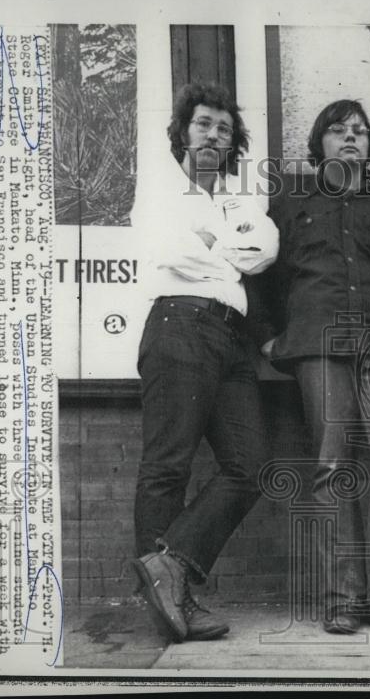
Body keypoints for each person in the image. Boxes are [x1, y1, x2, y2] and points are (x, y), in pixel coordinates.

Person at [261, 99, 370, 635]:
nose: (351, 137)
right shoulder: (290, 207)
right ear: (320, 145)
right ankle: (343, 599)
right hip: (319, 344)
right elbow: (261, 275)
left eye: (360, 131)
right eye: (338, 130)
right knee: (332, 465)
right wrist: (268, 337)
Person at [129, 83, 279, 643]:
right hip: (179, 325)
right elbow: (170, 252)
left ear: (233, 141)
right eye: (202, 125)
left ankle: (168, 565)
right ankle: (172, 604)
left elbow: (263, 253)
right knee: (168, 466)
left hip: (231, 338)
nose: (213, 135)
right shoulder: (161, 188)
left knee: (251, 464)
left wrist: (210, 243)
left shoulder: (240, 203)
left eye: (223, 128)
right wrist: (226, 253)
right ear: (183, 133)